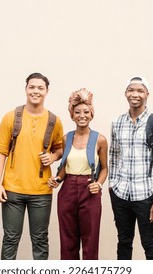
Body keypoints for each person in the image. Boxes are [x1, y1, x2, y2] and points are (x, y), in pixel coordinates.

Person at [0, 72, 64, 260]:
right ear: (26, 89)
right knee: (10, 239)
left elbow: (60, 149)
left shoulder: (54, 121)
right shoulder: (11, 117)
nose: (36, 91)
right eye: (32, 87)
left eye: (40, 88)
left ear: (47, 91)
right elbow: (0, 152)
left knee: (40, 239)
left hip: (41, 191)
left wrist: (53, 156)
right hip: (12, 189)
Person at [108, 76, 153, 260]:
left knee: (149, 243)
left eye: (140, 91)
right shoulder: (117, 122)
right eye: (131, 90)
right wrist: (112, 184)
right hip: (120, 194)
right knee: (124, 242)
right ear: (125, 93)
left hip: (146, 195)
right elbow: (113, 155)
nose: (135, 94)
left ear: (147, 95)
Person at [48, 88, 108, 260]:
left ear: (91, 114)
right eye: (77, 112)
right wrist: (57, 179)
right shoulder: (67, 138)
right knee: (67, 240)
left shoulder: (100, 139)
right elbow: (65, 166)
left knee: (90, 240)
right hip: (67, 192)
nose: (82, 115)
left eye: (86, 112)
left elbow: (104, 168)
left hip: (90, 190)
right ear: (72, 115)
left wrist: (99, 184)